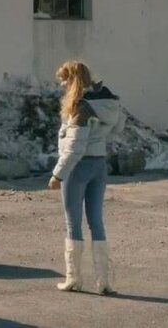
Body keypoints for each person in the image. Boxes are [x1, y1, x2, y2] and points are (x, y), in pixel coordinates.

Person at [48, 60, 125, 295]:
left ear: (72, 80)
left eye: (64, 80)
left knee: (73, 222)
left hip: (77, 169)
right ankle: (104, 282)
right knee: (96, 222)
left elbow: (74, 148)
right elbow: (117, 129)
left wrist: (57, 175)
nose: (62, 86)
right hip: (99, 165)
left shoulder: (81, 107)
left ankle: (74, 279)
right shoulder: (108, 103)